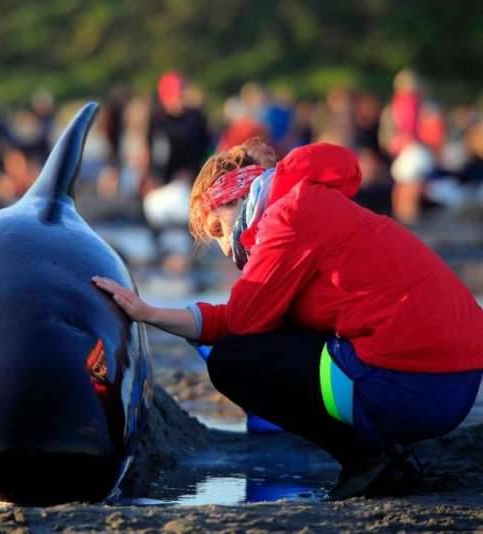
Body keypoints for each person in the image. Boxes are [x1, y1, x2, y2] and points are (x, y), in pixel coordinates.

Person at [93, 139, 483, 499]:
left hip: (416, 387)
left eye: (218, 229)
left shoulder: (288, 215)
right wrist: (149, 313)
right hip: (456, 381)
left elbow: (242, 323)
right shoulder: (307, 201)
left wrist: (154, 314)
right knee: (276, 331)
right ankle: (385, 452)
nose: (226, 246)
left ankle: (369, 458)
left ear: (238, 196)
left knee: (232, 362)